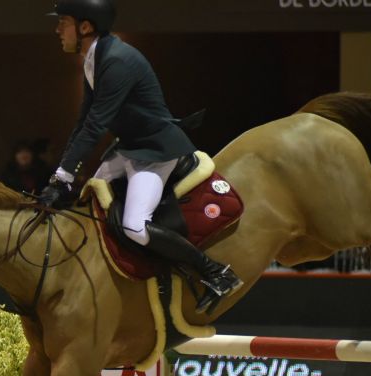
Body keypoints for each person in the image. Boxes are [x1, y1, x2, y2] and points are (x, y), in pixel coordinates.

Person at [39, 0, 242, 314]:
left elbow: (96, 125)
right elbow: (82, 122)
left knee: (135, 225)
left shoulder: (117, 61)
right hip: (130, 147)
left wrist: (62, 176)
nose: (56, 29)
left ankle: (215, 272)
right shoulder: (94, 58)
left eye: (62, 22)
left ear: (85, 27)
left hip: (154, 152)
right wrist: (61, 176)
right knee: (92, 198)